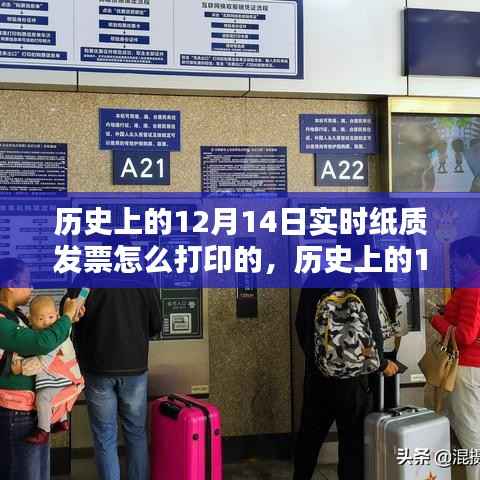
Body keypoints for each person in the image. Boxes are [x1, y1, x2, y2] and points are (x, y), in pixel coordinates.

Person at [293, 248, 398, 480]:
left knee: (309, 437)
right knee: (352, 443)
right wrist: (382, 364)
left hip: (317, 377)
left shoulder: (315, 279)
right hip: (354, 381)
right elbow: (373, 333)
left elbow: (301, 324)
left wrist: (317, 359)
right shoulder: (363, 283)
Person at [63, 274, 162, 480]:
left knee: (104, 436)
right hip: (134, 367)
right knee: (136, 433)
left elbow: (67, 317)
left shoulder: (86, 276)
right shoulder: (143, 277)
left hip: (97, 368)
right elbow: (156, 324)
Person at [0, 258, 79, 480]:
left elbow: (47, 337)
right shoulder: (2, 321)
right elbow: (41, 343)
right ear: (11, 285)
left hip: (30, 410)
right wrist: (66, 317)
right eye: (27, 282)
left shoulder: (17, 316)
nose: (31, 287)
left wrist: (67, 321)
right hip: (15, 412)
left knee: (39, 474)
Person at [431, 236, 480, 480]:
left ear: (468, 258)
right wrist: (450, 313)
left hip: (468, 368)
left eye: (456, 259)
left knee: (469, 431)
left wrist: (436, 320)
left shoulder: (472, 286)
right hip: (474, 368)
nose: (454, 264)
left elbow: (465, 335)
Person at [10, 295, 84, 444]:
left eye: (50, 317)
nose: (46, 322)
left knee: (43, 397)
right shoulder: (43, 333)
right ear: (30, 319)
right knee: (53, 398)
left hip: (63, 376)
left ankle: (43, 430)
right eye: (40, 318)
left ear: (57, 315)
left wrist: (21, 367)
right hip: (58, 375)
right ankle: (62, 421)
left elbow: (41, 362)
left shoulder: (54, 337)